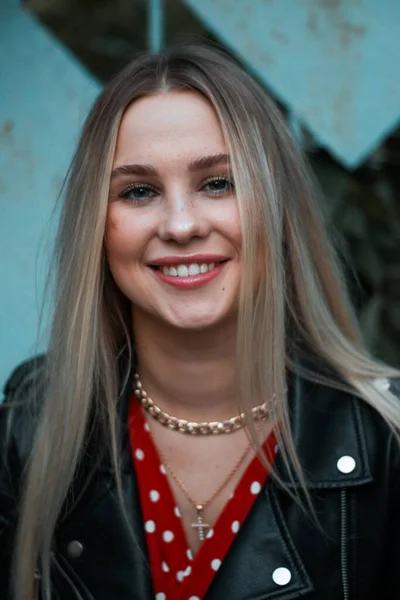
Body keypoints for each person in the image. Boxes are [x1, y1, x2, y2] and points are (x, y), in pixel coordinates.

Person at [1, 44, 399, 600]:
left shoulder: (387, 439)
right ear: (97, 224)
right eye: (138, 191)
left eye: (218, 183)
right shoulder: (28, 420)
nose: (181, 225)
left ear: (277, 208)